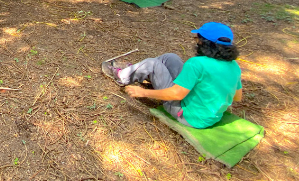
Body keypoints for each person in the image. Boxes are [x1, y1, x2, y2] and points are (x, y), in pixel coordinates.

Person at [102, 22, 243, 129]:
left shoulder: (197, 63)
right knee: (171, 58)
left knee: (152, 64)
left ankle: (122, 76)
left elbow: (177, 95)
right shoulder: (234, 67)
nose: (196, 42)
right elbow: (237, 96)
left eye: (198, 39)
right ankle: (140, 71)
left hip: (188, 115)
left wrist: (143, 92)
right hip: (209, 114)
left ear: (206, 44)